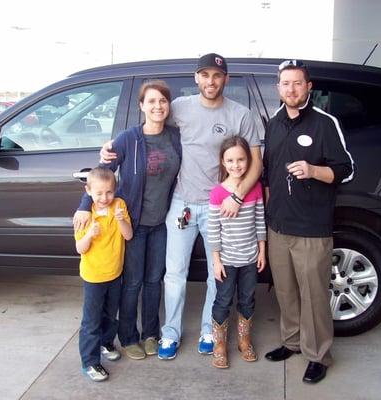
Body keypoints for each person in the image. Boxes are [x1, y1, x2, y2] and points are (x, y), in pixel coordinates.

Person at [99, 53, 262, 360]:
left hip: (220, 207)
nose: (210, 81)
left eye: (217, 75)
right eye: (205, 75)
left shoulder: (241, 114)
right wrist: (112, 145)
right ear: (196, 78)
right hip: (182, 203)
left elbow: (256, 161)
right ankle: (170, 333)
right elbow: (150, 123)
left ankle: (208, 330)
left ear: (226, 79)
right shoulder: (179, 108)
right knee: (174, 273)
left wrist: (237, 194)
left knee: (219, 273)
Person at [74, 81, 182, 360]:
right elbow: (101, 174)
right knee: (132, 282)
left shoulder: (175, 137)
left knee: (154, 281)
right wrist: (86, 205)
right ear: (141, 106)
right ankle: (128, 336)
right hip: (132, 224)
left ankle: (150, 334)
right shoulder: (127, 139)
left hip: (162, 224)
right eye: (152, 101)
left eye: (163, 101)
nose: (158, 106)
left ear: (168, 106)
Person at [263, 60, 354, 384]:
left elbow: (346, 169)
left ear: (308, 87)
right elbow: (268, 173)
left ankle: (317, 355)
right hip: (279, 227)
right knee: (285, 292)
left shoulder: (324, 124)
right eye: (285, 83)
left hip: (312, 229)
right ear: (278, 88)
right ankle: (291, 342)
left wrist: (314, 170)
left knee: (314, 295)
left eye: (297, 83)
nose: (291, 89)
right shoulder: (273, 124)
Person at [207, 136, 266, 369]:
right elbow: (213, 229)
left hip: (250, 257)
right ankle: (219, 345)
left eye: (241, 159)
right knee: (223, 300)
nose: (236, 165)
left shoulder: (255, 189)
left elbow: (260, 220)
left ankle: (244, 340)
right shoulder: (217, 193)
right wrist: (216, 260)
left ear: (249, 160)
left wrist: (262, 251)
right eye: (230, 160)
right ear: (222, 162)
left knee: (247, 299)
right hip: (227, 260)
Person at [74, 167, 133, 382]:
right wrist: (89, 234)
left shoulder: (119, 205)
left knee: (110, 314)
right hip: (93, 277)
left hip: (115, 273)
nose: (104, 197)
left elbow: (128, 235)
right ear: (88, 191)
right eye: (99, 193)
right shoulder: (84, 215)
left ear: (114, 190)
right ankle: (89, 361)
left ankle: (106, 342)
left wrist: (121, 220)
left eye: (109, 192)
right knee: (91, 321)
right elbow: (80, 248)